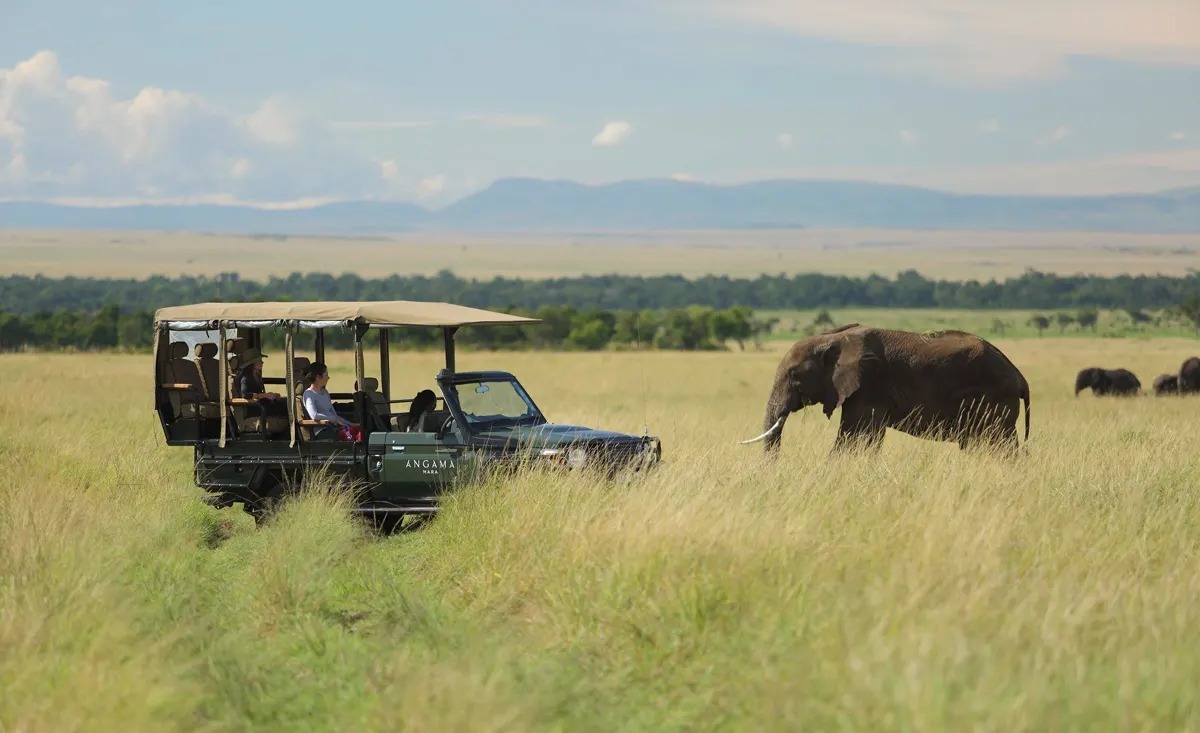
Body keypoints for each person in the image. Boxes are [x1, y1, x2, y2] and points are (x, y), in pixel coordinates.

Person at [302, 362, 360, 440]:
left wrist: (350, 424)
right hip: (322, 430)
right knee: (350, 434)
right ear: (318, 377)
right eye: (326, 375)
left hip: (334, 427)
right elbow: (314, 415)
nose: (328, 377)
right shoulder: (309, 394)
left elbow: (334, 415)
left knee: (358, 430)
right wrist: (332, 419)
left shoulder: (325, 392)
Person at [237, 348, 288, 418]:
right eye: (260, 361)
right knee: (285, 406)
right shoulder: (245, 378)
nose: (262, 362)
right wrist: (264, 395)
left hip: (261, 406)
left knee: (286, 401)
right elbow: (245, 395)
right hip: (255, 409)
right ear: (253, 364)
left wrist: (271, 396)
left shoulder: (256, 375)